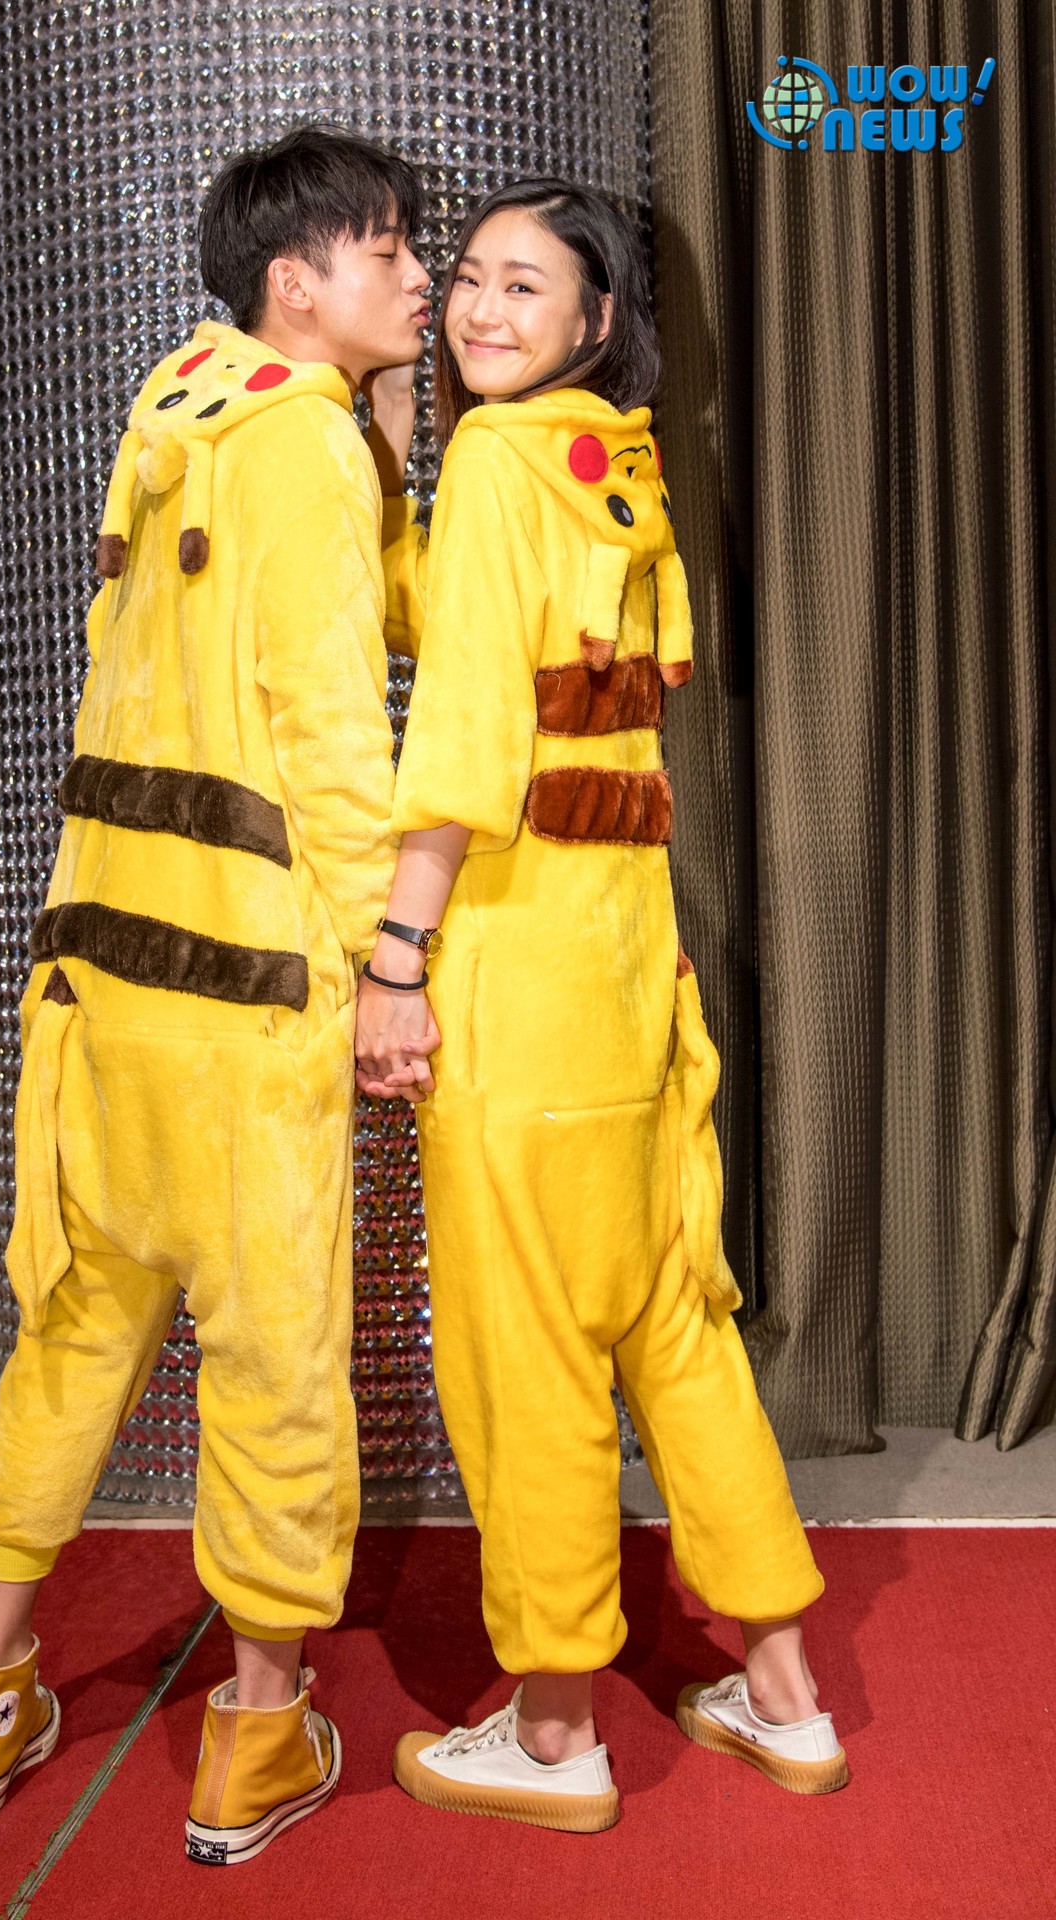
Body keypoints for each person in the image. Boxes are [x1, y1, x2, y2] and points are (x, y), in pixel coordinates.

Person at [0, 125, 431, 1867]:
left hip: (97, 980)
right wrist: (391, 958)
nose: (420, 277)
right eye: (389, 251)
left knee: (76, 1331)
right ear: (299, 282)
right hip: (246, 989)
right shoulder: (300, 448)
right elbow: (333, 734)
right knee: (277, 1361)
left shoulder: (176, 417)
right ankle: (255, 1735)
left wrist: (377, 434)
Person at [355, 178, 847, 1833]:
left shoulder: (500, 460)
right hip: (636, 974)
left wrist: (398, 958)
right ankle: (785, 1695)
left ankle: (556, 1730)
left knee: (530, 1353)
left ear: (597, 317)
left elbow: (466, 730)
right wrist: (392, 470)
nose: (480, 307)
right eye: (469, 278)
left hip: (520, 975)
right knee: (673, 1326)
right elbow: (516, 648)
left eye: (525, 285)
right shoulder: (612, 466)